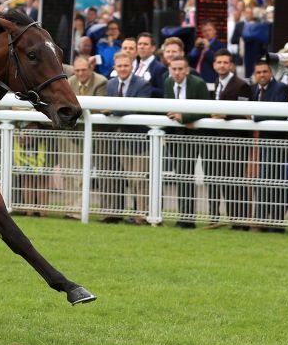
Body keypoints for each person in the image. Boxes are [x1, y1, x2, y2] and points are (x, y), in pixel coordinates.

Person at [203, 49, 252, 229]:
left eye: (225, 62)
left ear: (230, 64)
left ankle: (242, 221)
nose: (222, 65)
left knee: (236, 181)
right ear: (214, 65)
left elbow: (246, 114)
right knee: (224, 180)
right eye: (219, 62)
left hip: (236, 141)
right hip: (220, 141)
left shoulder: (241, 85)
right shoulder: (217, 82)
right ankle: (233, 219)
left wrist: (226, 115)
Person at [104, 51, 153, 222]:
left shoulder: (143, 84)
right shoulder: (110, 84)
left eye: (126, 65)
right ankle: (136, 213)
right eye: (120, 66)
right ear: (115, 67)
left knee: (139, 179)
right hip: (122, 140)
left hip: (140, 140)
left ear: (132, 66)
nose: (123, 69)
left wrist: (113, 111)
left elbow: (138, 107)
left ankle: (142, 215)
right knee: (130, 179)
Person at [164, 57, 210, 228]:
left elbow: (206, 109)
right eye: (173, 69)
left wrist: (184, 117)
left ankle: (187, 218)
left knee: (187, 175)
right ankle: (185, 216)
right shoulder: (168, 82)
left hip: (195, 135)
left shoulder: (198, 84)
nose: (177, 72)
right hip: (175, 135)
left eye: (180, 69)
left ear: (187, 70)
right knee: (181, 176)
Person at [250, 59, 288, 231]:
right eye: (258, 72)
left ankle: (267, 222)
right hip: (257, 143)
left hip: (275, 143)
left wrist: (253, 117)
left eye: (264, 72)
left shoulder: (280, 88)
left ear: (271, 73)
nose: (261, 75)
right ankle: (266, 222)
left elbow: (280, 115)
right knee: (263, 181)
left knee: (269, 182)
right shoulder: (254, 90)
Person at [134, 32, 168, 97]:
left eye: (145, 44)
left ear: (153, 48)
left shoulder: (160, 68)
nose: (141, 47)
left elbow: (163, 92)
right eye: (139, 44)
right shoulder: (136, 66)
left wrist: (142, 88)